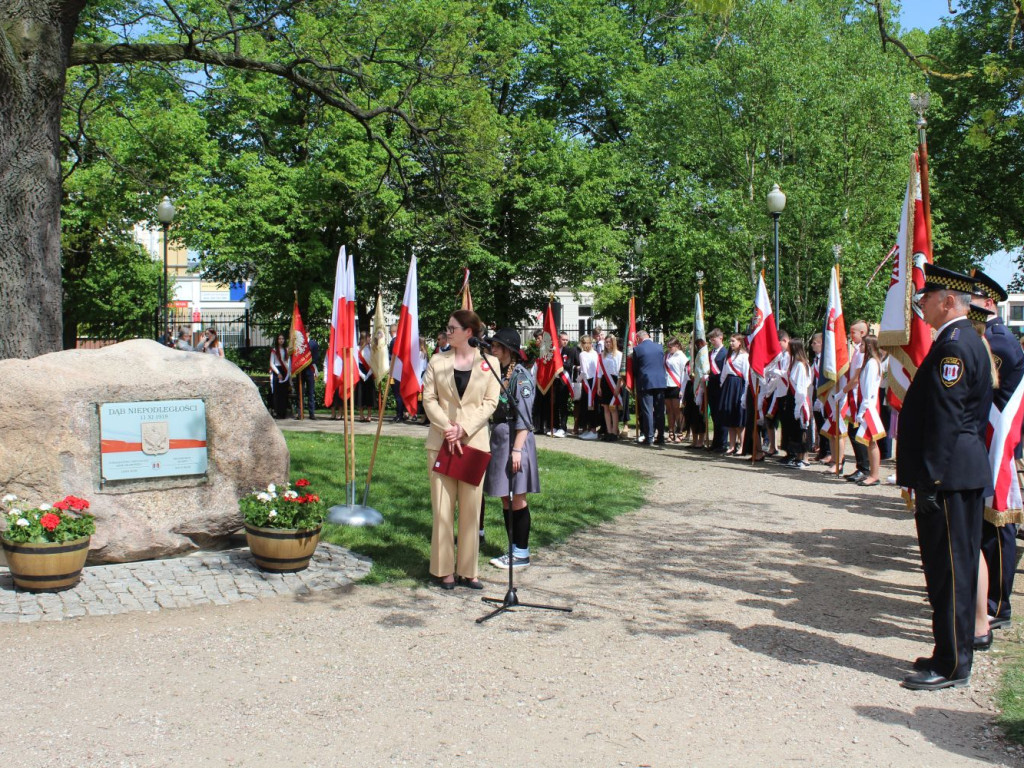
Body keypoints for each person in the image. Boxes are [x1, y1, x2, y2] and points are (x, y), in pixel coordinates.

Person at [897, 264, 993, 691]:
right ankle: (946, 651)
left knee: (951, 571)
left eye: (926, 299)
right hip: (954, 474)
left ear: (949, 300)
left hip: (950, 477)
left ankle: (954, 663)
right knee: (944, 569)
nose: (922, 306)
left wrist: (930, 480)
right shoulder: (958, 340)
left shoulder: (954, 346)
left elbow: (946, 419)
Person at [422, 309, 500, 590]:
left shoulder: (489, 363)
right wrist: (448, 429)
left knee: (470, 510)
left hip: (473, 443)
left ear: (469, 332)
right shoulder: (437, 360)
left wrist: (463, 429)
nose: (448, 332)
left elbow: (490, 403)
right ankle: (444, 571)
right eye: (448, 328)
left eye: (453, 328)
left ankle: (469, 570)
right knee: (443, 509)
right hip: (441, 443)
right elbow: (428, 399)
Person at [971, 269, 1024, 638]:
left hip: (998, 440)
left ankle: (998, 603)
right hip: (986, 437)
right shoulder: (985, 338)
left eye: (972, 297)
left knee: (998, 521)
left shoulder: (998, 341)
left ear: (989, 303)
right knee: (986, 522)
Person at [482, 329, 540, 569]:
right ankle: (512, 548)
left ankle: (522, 552)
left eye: (496, 346)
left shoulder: (521, 377)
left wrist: (517, 450)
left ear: (508, 350)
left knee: (518, 498)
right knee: (505, 498)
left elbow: (525, 419)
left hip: (516, 441)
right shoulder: (499, 373)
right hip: (500, 440)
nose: (492, 350)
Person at [852, 335, 885, 486]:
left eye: (862, 345)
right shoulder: (869, 362)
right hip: (867, 404)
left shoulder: (872, 363)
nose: (860, 347)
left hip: (869, 405)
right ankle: (873, 473)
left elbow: (870, 389)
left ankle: (874, 475)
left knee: (872, 441)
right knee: (870, 441)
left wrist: (863, 409)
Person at [781, 338, 814, 468]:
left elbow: (801, 388)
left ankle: (804, 458)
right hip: (793, 398)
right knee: (795, 429)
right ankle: (798, 456)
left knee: (802, 429)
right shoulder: (794, 363)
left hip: (799, 400)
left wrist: (798, 407)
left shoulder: (801, 365)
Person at [843, 321, 869, 482]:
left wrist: (843, 391)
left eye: (854, 332)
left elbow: (857, 377)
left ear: (863, 333)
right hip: (854, 395)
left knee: (857, 432)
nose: (851, 335)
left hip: (858, 396)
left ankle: (864, 468)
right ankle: (861, 466)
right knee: (853, 432)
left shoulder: (863, 352)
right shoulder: (858, 350)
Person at [632, 330, 667, 447]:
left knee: (647, 411)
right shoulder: (659, 347)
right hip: (660, 382)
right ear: (648, 336)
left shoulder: (637, 349)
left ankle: (649, 437)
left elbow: (635, 369)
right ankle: (661, 437)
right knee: (660, 411)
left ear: (638, 338)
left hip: (645, 382)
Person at [719, 333, 749, 454]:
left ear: (740, 342)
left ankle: (742, 445)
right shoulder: (729, 356)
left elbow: (746, 376)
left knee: (739, 418)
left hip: (738, 385)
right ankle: (731, 445)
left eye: (733, 341)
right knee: (730, 417)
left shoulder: (745, 356)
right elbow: (724, 372)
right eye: (730, 341)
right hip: (729, 385)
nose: (731, 343)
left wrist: (744, 393)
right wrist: (722, 384)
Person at [596, 334, 623, 442]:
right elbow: (599, 372)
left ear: (614, 343)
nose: (607, 344)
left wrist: (618, 386)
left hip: (614, 382)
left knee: (613, 408)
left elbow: (620, 373)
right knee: (606, 408)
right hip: (604, 382)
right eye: (606, 342)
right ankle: (609, 431)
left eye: (609, 342)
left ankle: (614, 431)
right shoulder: (602, 355)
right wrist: (598, 386)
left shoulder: (619, 355)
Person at [553, 332, 578, 438]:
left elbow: (569, 364)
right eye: (563, 339)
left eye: (567, 340)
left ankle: (563, 428)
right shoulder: (554, 350)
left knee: (563, 405)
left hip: (564, 380)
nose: (565, 341)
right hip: (555, 380)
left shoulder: (570, 350)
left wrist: (557, 362)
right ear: (558, 339)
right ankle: (555, 426)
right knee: (555, 404)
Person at [707, 329, 728, 452]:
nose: (712, 341)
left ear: (720, 338)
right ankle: (716, 442)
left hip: (722, 386)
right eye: (710, 339)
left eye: (713, 339)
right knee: (714, 415)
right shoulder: (710, 353)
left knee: (721, 415)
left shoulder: (725, 353)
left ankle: (723, 443)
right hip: (712, 387)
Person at [664, 337, 688, 443]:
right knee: (669, 410)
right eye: (668, 347)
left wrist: (682, 388)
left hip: (677, 385)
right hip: (667, 385)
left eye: (671, 347)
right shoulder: (668, 355)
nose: (669, 349)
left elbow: (684, 374)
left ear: (677, 346)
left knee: (677, 410)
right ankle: (671, 431)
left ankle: (680, 431)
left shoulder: (682, 357)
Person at [686, 337, 709, 447]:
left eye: (694, 344)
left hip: (700, 386)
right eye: (690, 343)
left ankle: (701, 440)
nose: (691, 346)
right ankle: (694, 440)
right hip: (690, 386)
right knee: (691, 415)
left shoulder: (703, 357)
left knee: (700, 415)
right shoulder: (689, 360)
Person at [576, 335, 600, 439]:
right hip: (595, 380)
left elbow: (584, 371)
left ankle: (593, 430)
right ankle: (592, 429)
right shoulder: (596, 353)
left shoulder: (582, 354)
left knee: (588, 406)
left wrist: (578, 380)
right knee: (593, 406)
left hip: (588, 381)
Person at [269, 334, 291, 419]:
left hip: (285, 371)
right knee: (277, 394)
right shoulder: (274, 350)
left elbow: (288, 362)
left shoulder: (286, 350)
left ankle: (283, 412)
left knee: (284, 393)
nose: (281, 340)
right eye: (279, 339)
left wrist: (288, 373)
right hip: (277, 372)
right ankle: (277, 412)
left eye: (282, 338)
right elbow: (271, 363)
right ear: (277, 340)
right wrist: (278, 373)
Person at [388, 324, 407, 423]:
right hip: (402, 372)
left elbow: (391, 357)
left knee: (397, 395)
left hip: (395, 372)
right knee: (401, 394)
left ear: (391, 332)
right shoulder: (402, 341)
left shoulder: (393, 342)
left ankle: (399, 415)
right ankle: (403, 413)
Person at [355, 332, 374, 422]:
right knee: (360, 395)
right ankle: (361, 415)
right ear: (363, 339)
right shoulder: (357, 349)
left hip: (369, 372)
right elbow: (355, 362)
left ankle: (369, 415)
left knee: (369, 395)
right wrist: (362, 375)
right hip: (360, 373)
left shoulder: (371, 349)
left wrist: (369, 373)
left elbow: (374, 361)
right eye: (368, 338)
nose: (369, 339)